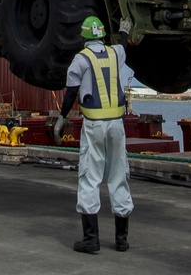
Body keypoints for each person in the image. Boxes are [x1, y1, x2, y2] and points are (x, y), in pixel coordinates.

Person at [54, 15, 133, 254]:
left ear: (84, 36)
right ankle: (121, 239)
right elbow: (124, 45)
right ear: (100, 35)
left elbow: (70, 93)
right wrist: (124, 31)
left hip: (94, 124)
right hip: (117, 125)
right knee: (118, 175)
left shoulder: (80, 59)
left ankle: (91, 239)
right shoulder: (115, 53)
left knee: (90, 176)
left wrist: (62, 117)